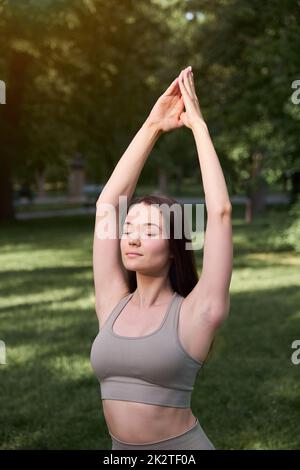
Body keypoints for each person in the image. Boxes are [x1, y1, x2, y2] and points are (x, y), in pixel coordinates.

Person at [90, 66, 233, 450]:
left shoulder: (197, 313)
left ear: (174, 249)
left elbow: (219, 213)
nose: (132, 238)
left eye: (150, 231)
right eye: (130, 227)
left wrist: (198, 128)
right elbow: (107, 205)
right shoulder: (112, 303)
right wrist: (152, 126)